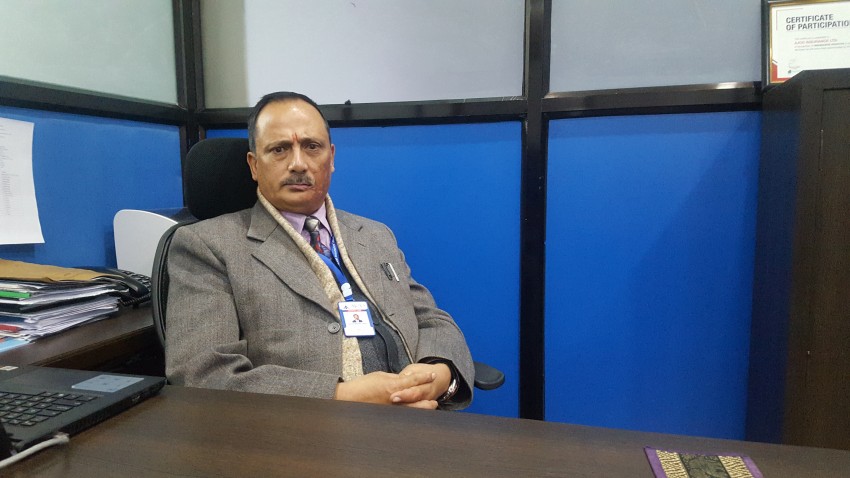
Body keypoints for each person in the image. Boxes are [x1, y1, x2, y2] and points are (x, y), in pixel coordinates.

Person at [165, 91, 474, 410]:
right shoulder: (207, 247)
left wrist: (440, 374)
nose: (298, 164)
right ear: (254, 166)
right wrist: (343, 396)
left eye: (312, 146)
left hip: (419, 416)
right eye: (280, 149)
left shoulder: (375, 235)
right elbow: (204, 376)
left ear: (331, 158)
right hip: (304, 430)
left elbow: (430, 319)